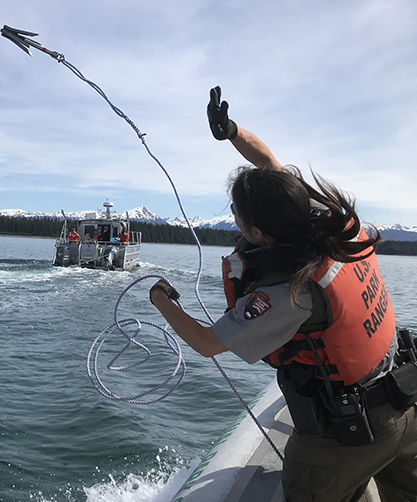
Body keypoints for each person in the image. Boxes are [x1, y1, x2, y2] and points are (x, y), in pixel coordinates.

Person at [149, 86, 417, 502]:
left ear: (257, 233)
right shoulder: (328, 221)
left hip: (351, 431)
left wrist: (161, 299)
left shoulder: (290, 290)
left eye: (237, 216)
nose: (234, 220)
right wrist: (231, 132)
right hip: (406, 399)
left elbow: (205, 343)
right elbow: (269, 162)